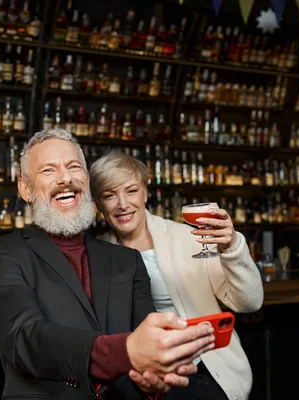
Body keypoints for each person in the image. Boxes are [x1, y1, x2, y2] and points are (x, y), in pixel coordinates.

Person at [0, 129, 217, 400]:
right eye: (48, 171)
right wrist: (125, 351)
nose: (65, 178)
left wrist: (152, 380)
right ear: (25, 189)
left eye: (73, 167)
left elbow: (146, 345)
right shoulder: (1, 254)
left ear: (87, 180)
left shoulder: (126, 259)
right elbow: (25, 338)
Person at [89, 151, 264, 400]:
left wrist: (232, 246)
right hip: (139, 370)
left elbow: (249, 302)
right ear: (98, 204)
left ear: (145, 192)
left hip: (202, 364)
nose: (122, 204)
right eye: (109, 195)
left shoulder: (188, 238)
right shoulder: (96, 253)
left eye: (131, 190)